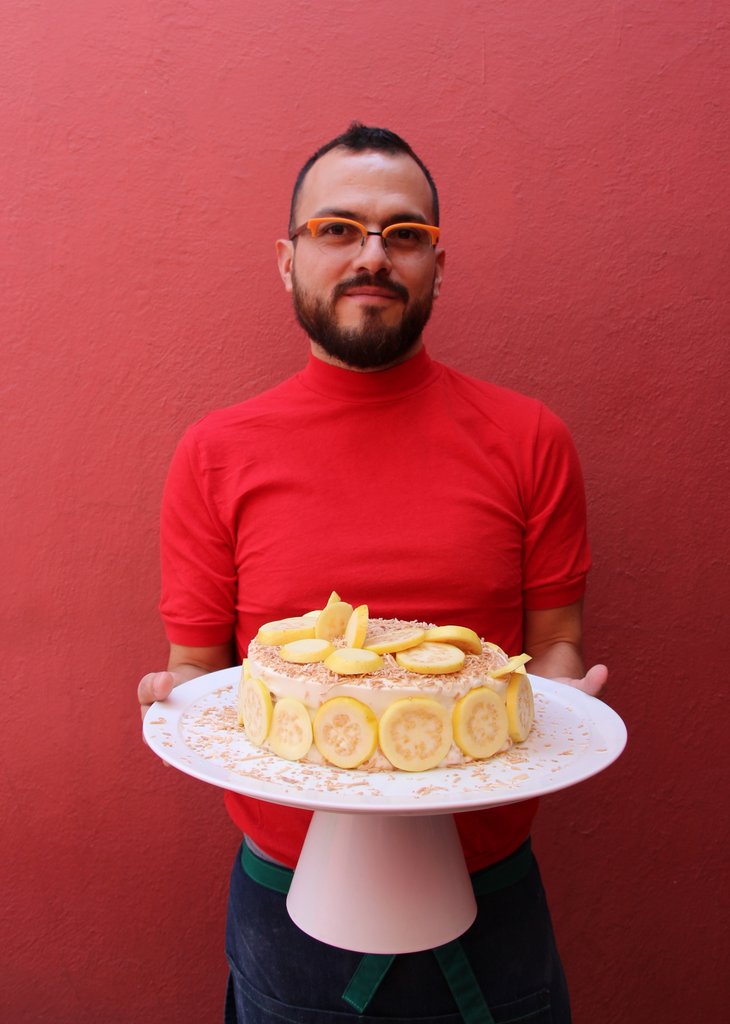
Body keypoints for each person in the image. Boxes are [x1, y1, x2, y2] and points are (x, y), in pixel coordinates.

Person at [138, 122, 608, 1023]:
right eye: (337, 229)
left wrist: (563, 702)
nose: (372, 255)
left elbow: (554, 646)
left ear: (438, 262)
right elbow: (200, 669)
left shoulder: (530, 438)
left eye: (404, 233)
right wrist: (180, 697)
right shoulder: (214, 454)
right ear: (286, 259)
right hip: (289, 904)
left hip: (491, 899)